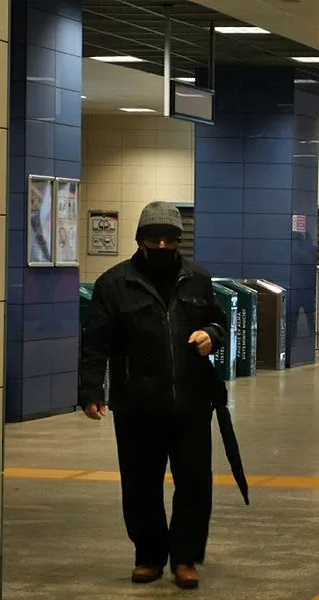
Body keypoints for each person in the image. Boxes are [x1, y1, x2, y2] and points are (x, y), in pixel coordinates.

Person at [79, 202, 228, 590]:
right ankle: (148, 556)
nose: (161, 246)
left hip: (191, 401)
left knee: (194, 482)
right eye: (153, 239)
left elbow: (218, 322)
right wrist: (92, 389)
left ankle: (185, 557)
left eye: (169, 240)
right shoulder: (114, 284)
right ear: (140, 242)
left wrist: (210, 335)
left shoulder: (198, 278)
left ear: (179, 242)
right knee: (141, 483)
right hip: (136, 403)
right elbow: (96, 342)